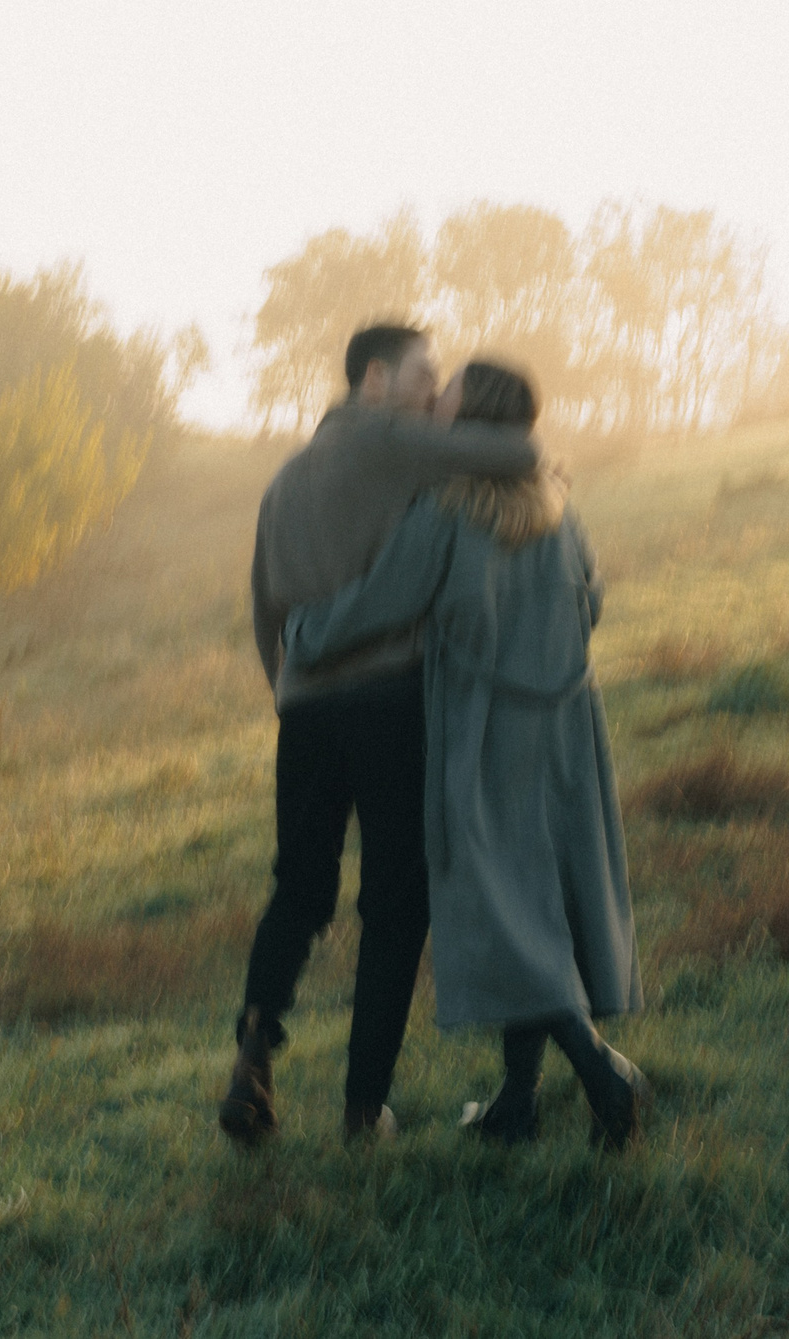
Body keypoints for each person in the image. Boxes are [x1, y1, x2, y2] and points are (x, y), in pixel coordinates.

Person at [281, 360, 652, 1149]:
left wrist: (304, 634)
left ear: (474, 418)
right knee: (537, 904)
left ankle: (601, 1073)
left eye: (446, 398)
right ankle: (516, 1101)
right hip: (566, 728)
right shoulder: (558, 504)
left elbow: (381, 598)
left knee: (501, 909)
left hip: (487, 733)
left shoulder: (448, 511)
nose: (434, 407)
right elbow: (592, 599)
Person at [222, 323, 542, 1146]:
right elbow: (518, 457)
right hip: (388, 703)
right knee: (396, 905)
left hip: (305, 711)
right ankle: (365, 1109)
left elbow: (264, 612)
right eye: (423, 374)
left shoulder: (284, 479)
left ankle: (255, 1047)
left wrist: (292, 693)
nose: (436, 393)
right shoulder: (389, 440)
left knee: (298, 888)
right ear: (374, 381)